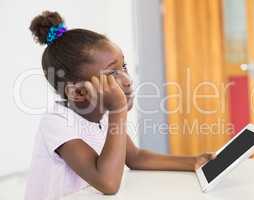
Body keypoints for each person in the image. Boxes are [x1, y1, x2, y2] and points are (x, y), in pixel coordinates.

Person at [25, 11, 215, 200]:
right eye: (112, 73)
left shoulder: (102, 115)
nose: (127, 79)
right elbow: (107, 182)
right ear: (77, 92)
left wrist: (194, 162)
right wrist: (118, 110)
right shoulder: (57, 122)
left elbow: (136, 157)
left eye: (123, 67)